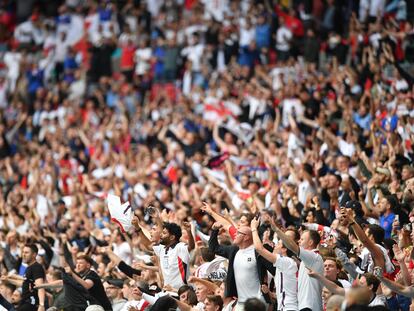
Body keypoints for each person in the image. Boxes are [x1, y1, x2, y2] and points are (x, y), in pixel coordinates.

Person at [209, 223, 272, 310]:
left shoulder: (258, 252)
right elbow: (214, 248)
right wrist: (214, 230)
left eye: (238, 233)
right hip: (241, 302)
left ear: (246, 237)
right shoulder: (234, 250)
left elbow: (274, 269)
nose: (235, 234)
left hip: (258, 302)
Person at [271, 226, 324, 311]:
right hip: (306, 306)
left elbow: (292, 246)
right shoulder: (309, 259)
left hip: (309, 307)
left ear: (310, 242)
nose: (299, 241)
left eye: (302, 239)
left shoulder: (313, 256)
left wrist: (276, 230)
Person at [250, 218, 298, 310]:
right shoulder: (284, 265)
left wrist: (254, 228)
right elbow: (285, 293)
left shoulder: (287, 262)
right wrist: (270, 293)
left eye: (278, 244)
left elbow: (259, 249)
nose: (274, 246)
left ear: (284, 249)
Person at [1, 244, 46, 311]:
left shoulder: (36, 267)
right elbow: (25, 284)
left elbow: (40, 286)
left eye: (26, 252)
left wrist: (41, 305)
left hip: (31, 303)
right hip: (25, 302)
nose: (23, 255)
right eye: (23, 252)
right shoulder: (29, 268)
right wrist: (8, 280)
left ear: (34, 254)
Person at [151, 222, 194, 290]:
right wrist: (138, 228)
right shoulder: (161, 248)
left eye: (164, 233)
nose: (161, 235)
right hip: (167, 291)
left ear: (172, 237)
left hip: (182, 292)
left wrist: (189, 231)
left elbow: (191, 246)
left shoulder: (179, 247)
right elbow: (147, 245)